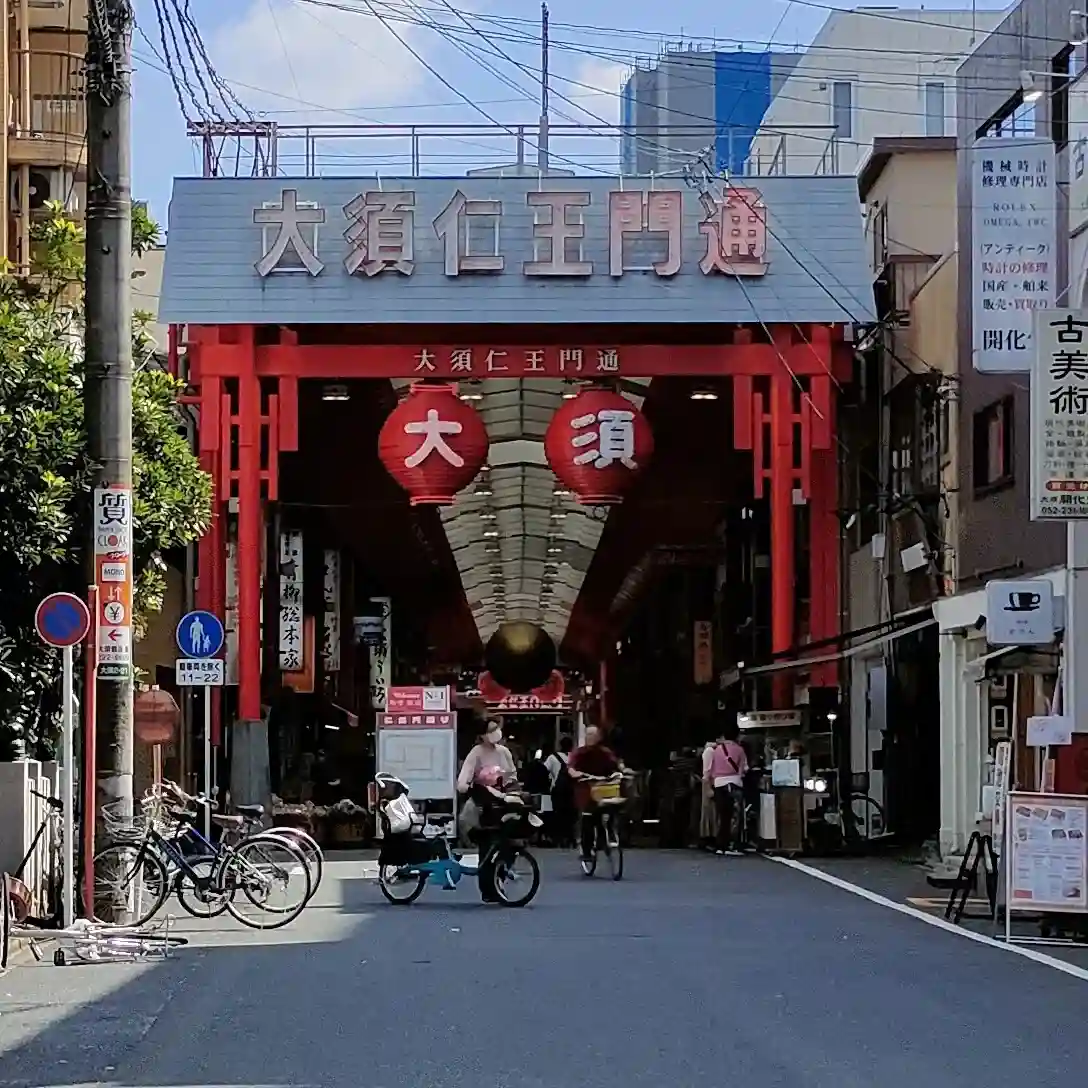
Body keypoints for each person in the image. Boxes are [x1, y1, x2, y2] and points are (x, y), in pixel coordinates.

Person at [456, 719, 516, 902]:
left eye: (496, 728)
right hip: (484, 804)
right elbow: (464, 777)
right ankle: (488, 890)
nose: (495, 732)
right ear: (482, 735)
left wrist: (511, 789)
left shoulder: (504, 752)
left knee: (510, 842)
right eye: (490, 730)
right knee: (487, 846)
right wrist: (465, 785)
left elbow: (512, 775)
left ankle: (499, 879)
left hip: (503, 801)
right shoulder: (476, 753)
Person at [568, 726, 622, 862]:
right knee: (587, 817)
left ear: (599, 737)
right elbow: (571, 768)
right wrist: (576, 774)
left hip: (603, 788)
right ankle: (586, 850)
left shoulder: (605, 752)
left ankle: (609, 835)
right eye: (588, 734)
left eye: (593, 735)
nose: (591, 737)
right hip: (585, 789)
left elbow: (615, 765)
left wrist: (618, 773)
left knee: (612, 807)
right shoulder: (579, 753)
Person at [705, 722, 748, 856]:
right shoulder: (740, 750)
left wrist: (709, 785)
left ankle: (720, 845)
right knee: (735, 816)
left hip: (718, 784)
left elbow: (709, 770)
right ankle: (733, 845)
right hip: (734, 783)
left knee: (722, 815)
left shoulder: (716, 750)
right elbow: (744, 768)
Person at [545, 736, 575, 847]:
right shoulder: (574, 757)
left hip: (557, 790)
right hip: (571, 791)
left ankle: (558, 838)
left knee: (557, 814)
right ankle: (570, 838)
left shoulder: (552, 757)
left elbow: (544, 771)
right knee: (570, 815)